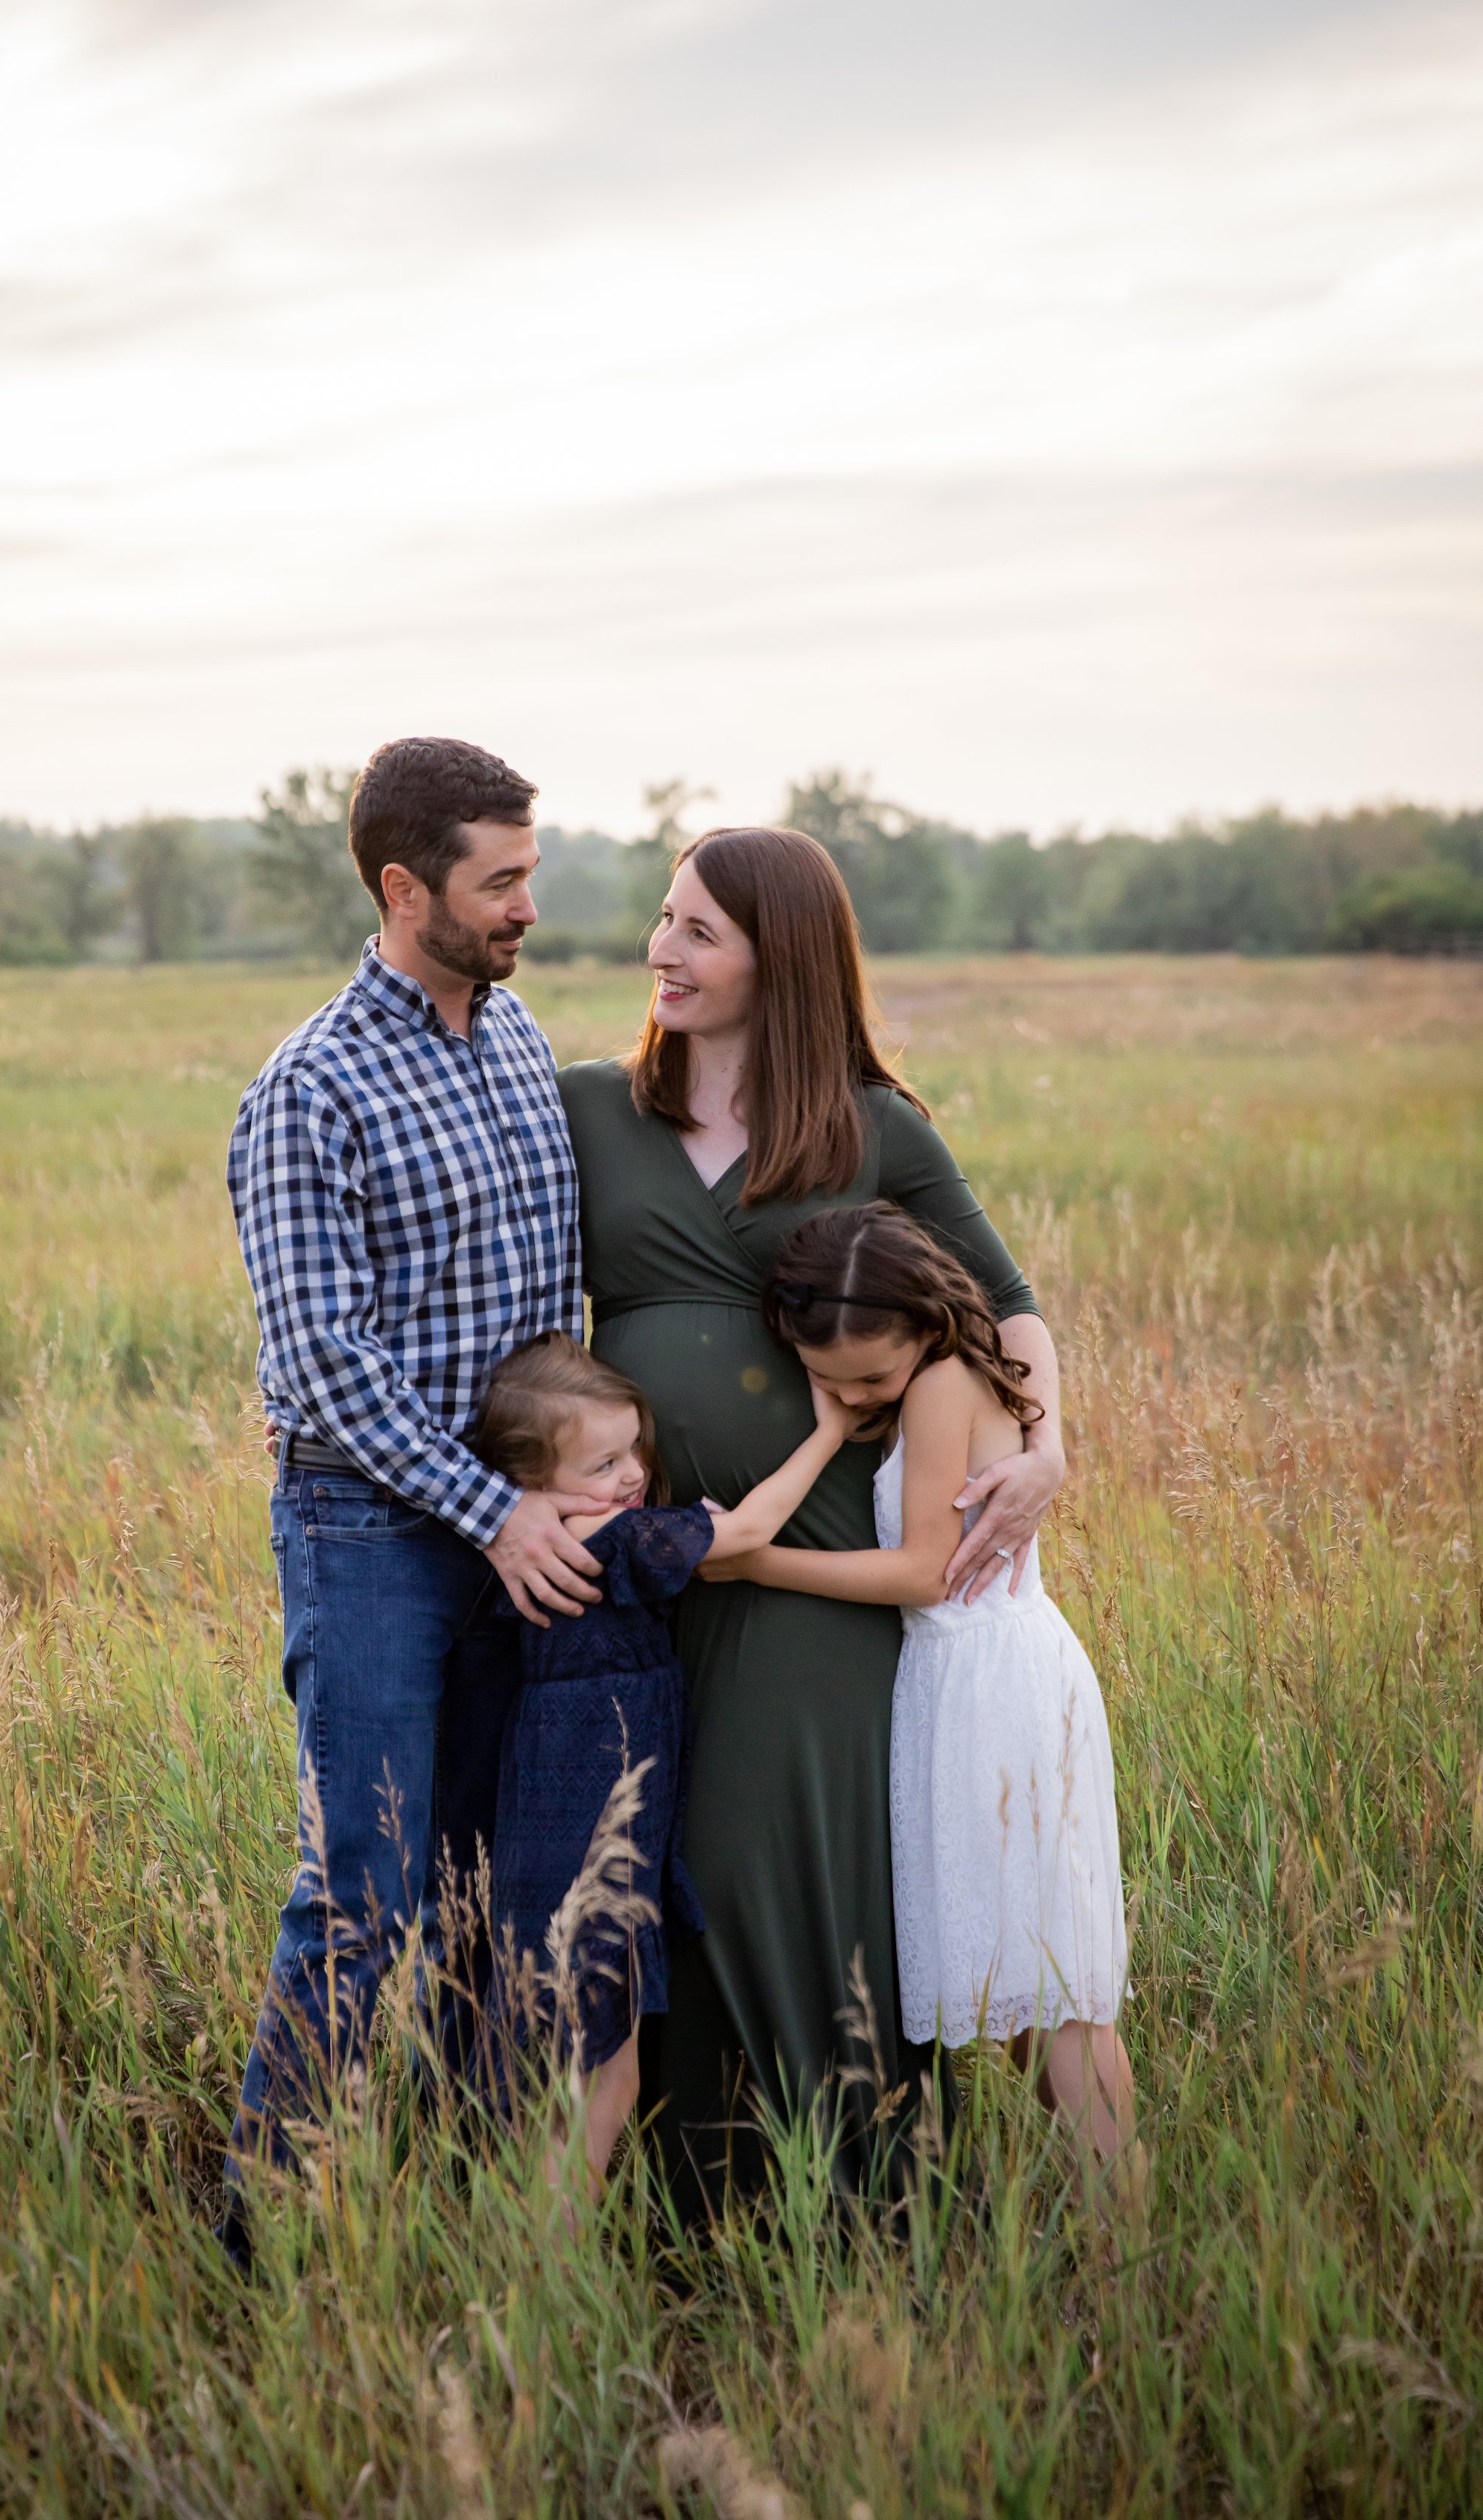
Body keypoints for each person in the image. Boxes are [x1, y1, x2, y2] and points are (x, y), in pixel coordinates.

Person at [558, 825, 1066, 2213]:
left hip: (814, 1561)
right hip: (646, 1558)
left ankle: (845, 2193)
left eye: (697, 931)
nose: (661, 949)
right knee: (650, 1866)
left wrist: (1050, 1447)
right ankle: (689, 2210)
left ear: (778, 959)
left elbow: (1006, 1302)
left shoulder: (871, 1124)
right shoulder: (588, 1106)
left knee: (766, 1845)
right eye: (662, 920)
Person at [221, 735, 612, 2242]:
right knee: (363, 1892)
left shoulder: (515, 1038)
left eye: (530, 873)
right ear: (403, 888)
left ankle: (452, 2203)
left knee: (491, 1890)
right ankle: (258, 2235)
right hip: (378, 1530)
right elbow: (322, 1360)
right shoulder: (306, 1088)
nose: (527, 904)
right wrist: (491, 1509)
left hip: (522, 1528)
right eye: (498, 880)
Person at [706, 1200, 1135, 2168]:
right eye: (823, 1375)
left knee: (1057, 1995)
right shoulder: (953, 1361)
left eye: (868, 1374)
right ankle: (1102, 2220)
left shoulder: (942, 1380)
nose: (851, 1393)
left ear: (925, 1321)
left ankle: (1122, 2249)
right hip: (972, 1675)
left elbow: (923, 1572)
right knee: (1029, 1986)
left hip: (993, 1680)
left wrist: (759, 1563)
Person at [468, 1331, 857, 2189]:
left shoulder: (547, 1543)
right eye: (600, 1464)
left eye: (632, 1446)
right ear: (530, 1485)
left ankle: (529, 2253)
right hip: (601, 1825)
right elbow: (751, 1530)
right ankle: (553, 2275)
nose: (630, 1473)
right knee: (607, 2077)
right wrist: (829, 1432)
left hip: (547, 1818)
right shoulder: (621, 1539)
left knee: (569, 2065)